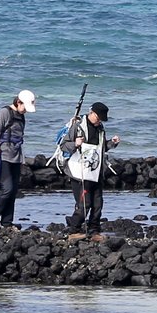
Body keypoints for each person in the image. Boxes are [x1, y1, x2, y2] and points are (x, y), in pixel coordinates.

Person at [60, 101, 120, 242]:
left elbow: (102, 147)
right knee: (84, 203)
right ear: (91, 113)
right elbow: (63, 145)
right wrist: (75, 143)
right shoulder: (78, 126)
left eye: (101, 120)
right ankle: (73, 230)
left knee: (98, 203)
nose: (99, 121)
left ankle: (94, 231)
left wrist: (112, 143)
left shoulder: (100, 128)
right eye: (98, 118)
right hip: (78, 172)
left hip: (96, 171)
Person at [0, 90, 36, 230]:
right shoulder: (4, 113)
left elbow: (20, 138)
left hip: (15, 156)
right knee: (7, 189)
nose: (25, 111)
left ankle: (7, 222)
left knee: (13, 190)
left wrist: (22, 158)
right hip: (3, 156)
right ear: (18, 102)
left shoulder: (21, 116)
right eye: (25, 107)